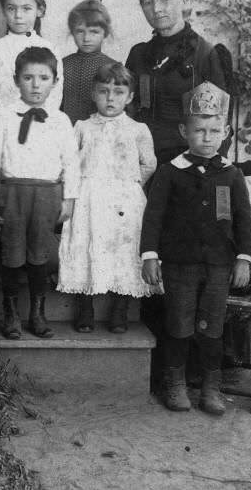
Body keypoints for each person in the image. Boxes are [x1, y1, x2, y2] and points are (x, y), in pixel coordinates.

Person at [140, 82, 251, 415]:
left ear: (226, 131)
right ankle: (174, 385)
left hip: (218, 265)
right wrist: (150, 256)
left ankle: (210, 387)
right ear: (183, 131)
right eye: (199, 130)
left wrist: (243, 259)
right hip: (179, 265)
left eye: (214, 130)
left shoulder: (231, 175)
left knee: (213, 328)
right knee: (178, 324)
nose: (206, 137)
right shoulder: (169, 173)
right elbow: (153, 217)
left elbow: (244, 220)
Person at [0, 47, 79, 340]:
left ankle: (38, 313)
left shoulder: (61, 121)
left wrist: (69, 198)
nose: (36, 85)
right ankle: (10, 313)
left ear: (54, 81)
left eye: (43, 78)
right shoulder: (4, 117)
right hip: (13, 191)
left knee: (39, 256)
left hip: (47, 194)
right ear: (16, 80)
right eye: (28, 77)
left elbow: (71, 162)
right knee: (11, 255)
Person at [56, 63, 159, 334]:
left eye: (118, 92)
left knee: (123, 249)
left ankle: (120, 309)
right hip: (89, 199)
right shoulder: (82, 127)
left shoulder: (138, 130)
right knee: (85, 245)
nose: (110, 98)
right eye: (103, 91)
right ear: (93, 94)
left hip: (125, 199)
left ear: (130, 97)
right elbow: (70, 163)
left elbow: (149, 164)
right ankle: (85, 307)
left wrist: (129, 187)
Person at [125, 0, 233, 164]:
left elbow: (219, 125)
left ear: (184, 0)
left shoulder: (205, 54)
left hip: (188, 166)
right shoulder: (139, 54)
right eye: (147, 2)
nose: (157, 9)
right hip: (143, 163)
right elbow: (126, 113)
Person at [0, 0, 64, 142]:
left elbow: (55, 94)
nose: (18, 15)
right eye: (11, 8)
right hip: (0, 129)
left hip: (39, 128)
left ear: (40, 10)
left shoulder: (50, 49)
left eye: (26, 9)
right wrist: (6, 122)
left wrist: (37, 120)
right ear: (3, 10)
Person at [61, 0, 117, 125]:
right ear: (72, 32)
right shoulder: (62, 65)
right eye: (80, 31)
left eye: (94, 32)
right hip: (66, 133)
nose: (86, 38)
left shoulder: (114, 68)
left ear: (105, 33)